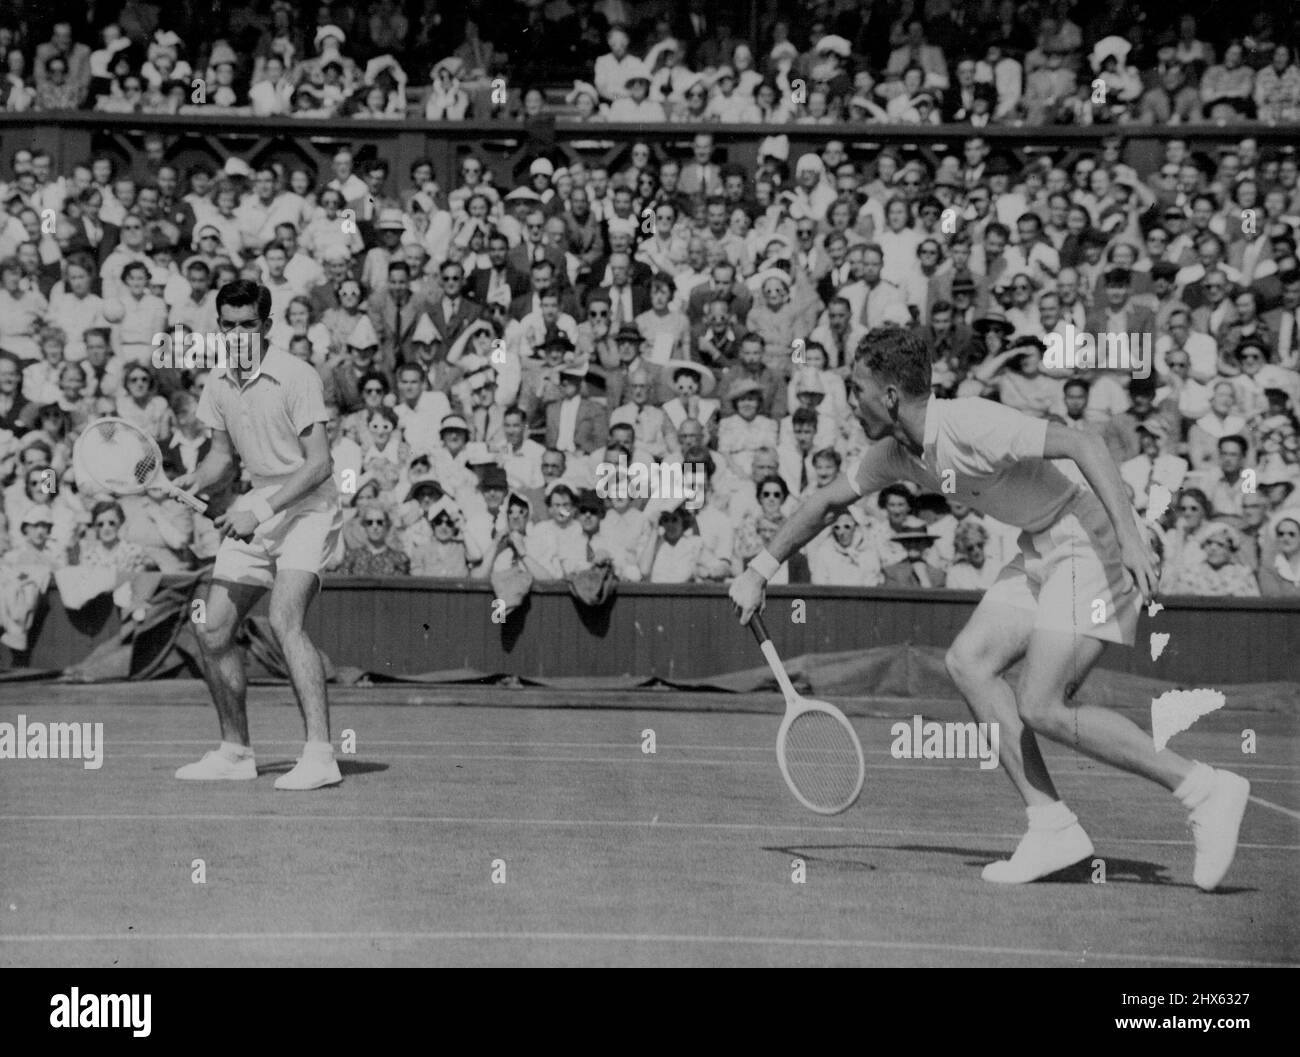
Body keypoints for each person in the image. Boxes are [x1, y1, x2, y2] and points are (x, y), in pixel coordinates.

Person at [730, 326, 1250, 891]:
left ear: (888, 397)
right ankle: (1051, 825)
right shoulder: (895, 454)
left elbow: (1086, 445)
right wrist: (760, 569)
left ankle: (1202, 787)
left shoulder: (970, 422)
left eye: (856, 389)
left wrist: (1128, 537)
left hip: (1090, 540)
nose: (849, 402)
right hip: (1040, 547)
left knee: (1042, 704)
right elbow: (828, 499)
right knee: (970, 662)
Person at [171, 281, 346, 791]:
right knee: (213, 628)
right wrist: (195, 479)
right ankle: (235, 751)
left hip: (309, 507)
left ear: (266, 326)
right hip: (258, 506)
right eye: (228, 326)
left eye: (248, 325)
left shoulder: (298, 376)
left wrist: (261, 508)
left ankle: (320, 755)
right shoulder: (218, 383)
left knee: (284, 619)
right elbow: (223, 459)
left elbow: (319, 466)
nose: (238, 334)